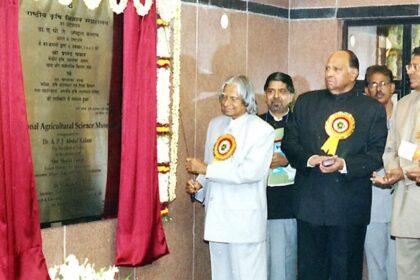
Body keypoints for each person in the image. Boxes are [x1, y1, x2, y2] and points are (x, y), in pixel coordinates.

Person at [282, 50, 388, 280]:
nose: (329, 73)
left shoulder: (372, 109)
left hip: (349, 209)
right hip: (309, 205)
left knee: (345, 272)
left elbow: (376, 154)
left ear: (354, 73)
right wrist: (310, 159)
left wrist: (344, 164)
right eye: (327, 68)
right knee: (310, 273)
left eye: (336, 69)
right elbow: (290, 143)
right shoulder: (306, 102)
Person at [185, 75, 274, 280]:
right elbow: (211, 163)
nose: (226, 103)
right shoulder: (215, 125)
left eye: (233, 98)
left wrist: (206, 170)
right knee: (221, 274)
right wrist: (199, 184)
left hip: (245, 219)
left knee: (248, 274)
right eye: (223, 97)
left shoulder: (262, 130)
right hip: (218, 216)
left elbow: (250, 172)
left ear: (247, 100)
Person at [373, 46, 420, 279]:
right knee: (406, 270)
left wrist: (409, 170)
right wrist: (394, 170)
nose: (409, 71)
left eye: (415, 66)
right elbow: (391, 147)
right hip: (405, 201)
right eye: (410, 65)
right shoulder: (403, 104)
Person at [259, 72, 297, 280]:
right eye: (271, 91)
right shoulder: (255, 124)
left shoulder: (301, 124)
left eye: (282, 91)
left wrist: (287, 160)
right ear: (265, 96)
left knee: (284, 264)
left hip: (289, 203)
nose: (276, 97)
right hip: (260, 202)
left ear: (291, 95)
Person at [364, 65, 397, 280]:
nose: (378, 89)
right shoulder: (361, 119)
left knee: (398, 262)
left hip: (400, 197)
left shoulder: (406, 114)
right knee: (375, 261)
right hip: (373, 199)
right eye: (373, 84)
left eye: (383, 83)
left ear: (392, 87)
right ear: (366, 90)